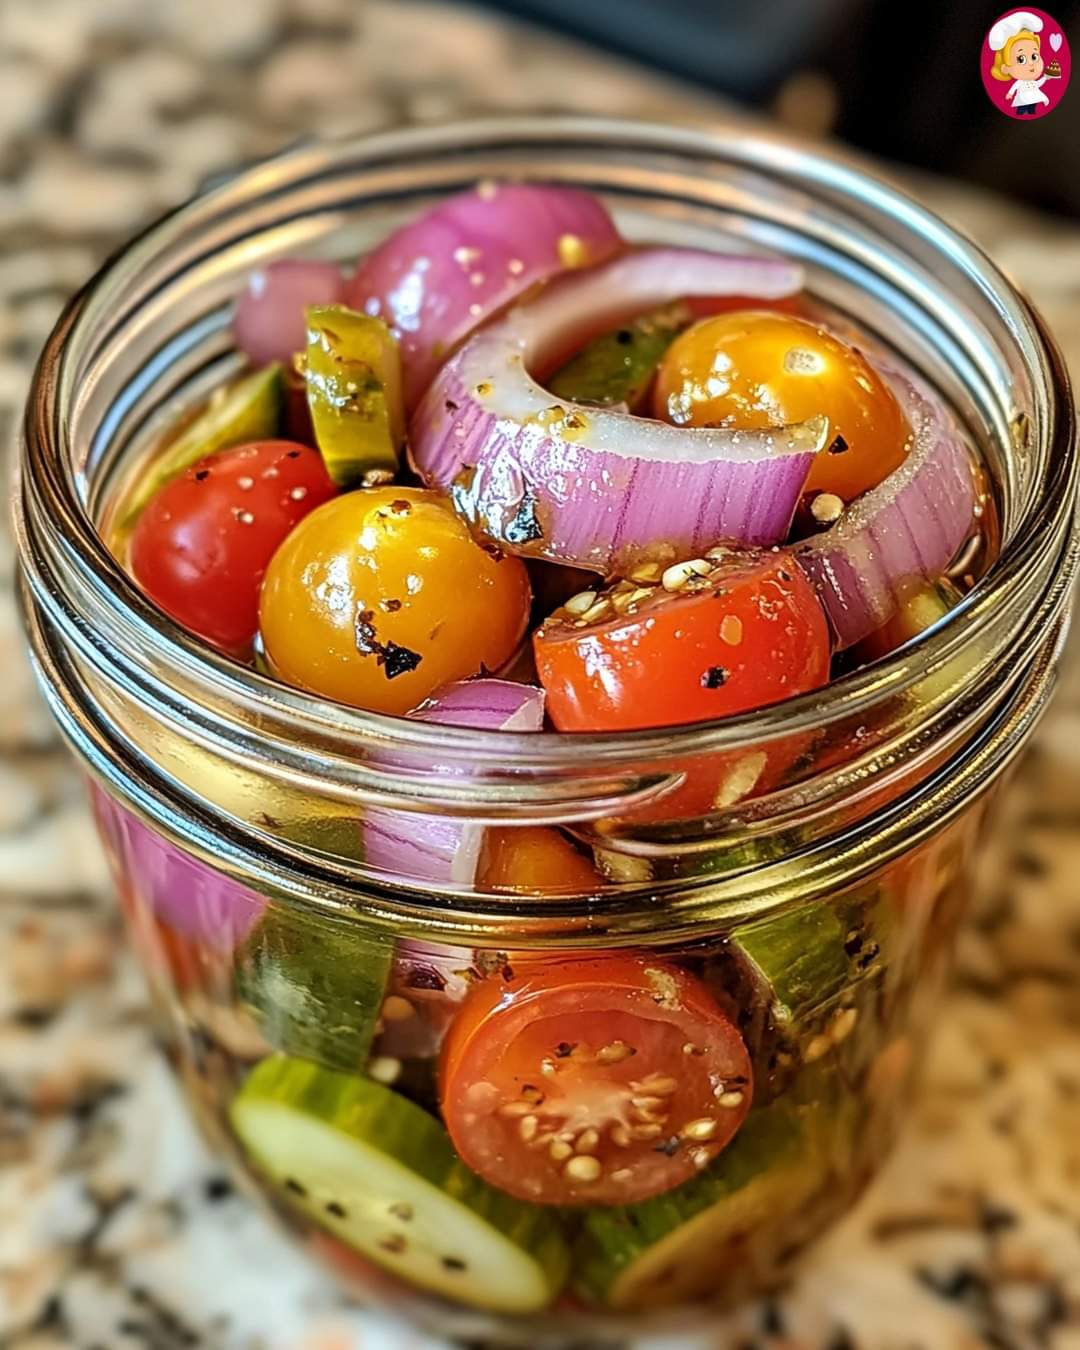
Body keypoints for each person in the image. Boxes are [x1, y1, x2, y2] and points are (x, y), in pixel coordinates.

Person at [989, 9, 1060, 114]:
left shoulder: (1033, 81)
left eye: (1034, 56)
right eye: (1021, 59)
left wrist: (1046, 77)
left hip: (1033, 100)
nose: (1031, 63)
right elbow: (1015, 87)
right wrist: (1010, 93)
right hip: (1022, 101)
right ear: (1005, 68)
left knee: (1032, 109)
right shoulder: (1019, 82)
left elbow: (1039, 84)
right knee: (1021, 110)